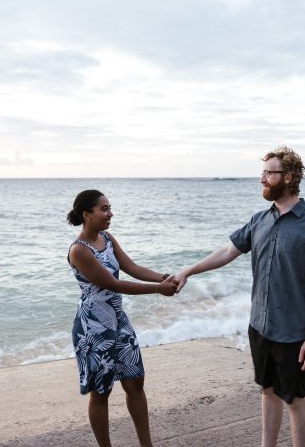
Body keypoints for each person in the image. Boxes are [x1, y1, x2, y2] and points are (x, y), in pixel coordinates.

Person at [175, 147, 305, 447]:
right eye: (262, 173)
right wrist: (189, 270)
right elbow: (227, 251)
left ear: (287, 177)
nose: (262, 179)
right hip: (260, 326)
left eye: (268, 173)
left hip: (294, 331)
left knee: (294, 400)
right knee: (268, 390)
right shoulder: (260, 220)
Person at [67, 189, 178, 447]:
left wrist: (163, 277)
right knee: (101, 393)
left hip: (119, 321)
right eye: (104, 209)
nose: (110, 213)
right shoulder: (79, 250)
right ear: (87, 214)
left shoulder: (107, 238)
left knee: (136, 383)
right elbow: (113, 285)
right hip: (93, 328)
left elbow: (132, 268)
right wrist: (158, 290)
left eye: (109, 207)